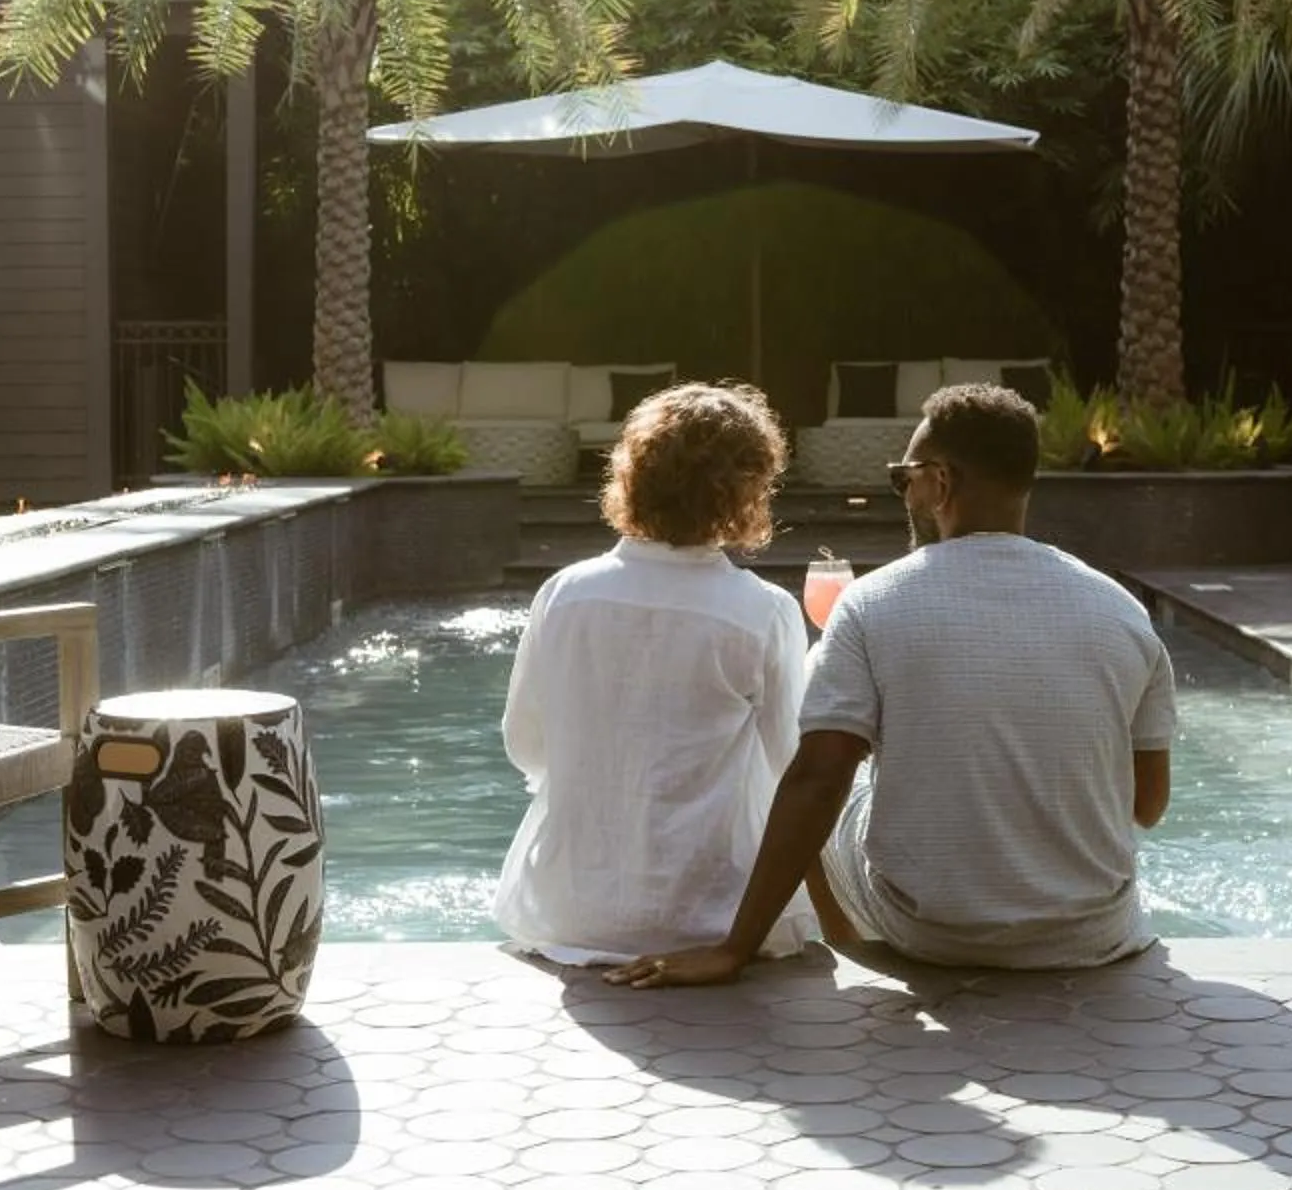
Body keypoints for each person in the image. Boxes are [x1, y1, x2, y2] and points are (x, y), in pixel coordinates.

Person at [609, 383, 1174, 987]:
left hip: (933, 934)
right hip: (1093, 934)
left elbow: (817, 782)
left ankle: (849, 951)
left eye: (904, 479)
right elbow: (1147, 806)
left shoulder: (872, 604)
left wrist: (733, 950)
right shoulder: (1121, 611)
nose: (903, 494)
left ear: (940, 482)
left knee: (808, 778)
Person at [493, 382, 821, 965]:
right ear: (747, 491)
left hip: (569, 912)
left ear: (632, 476)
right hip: (710, 917)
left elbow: (526, 746)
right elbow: (793, 769)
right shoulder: (762, 611)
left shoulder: (564, 594)